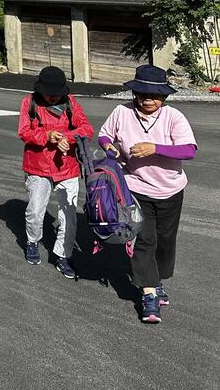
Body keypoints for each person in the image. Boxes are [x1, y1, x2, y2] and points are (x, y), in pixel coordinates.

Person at [98, 64, 197, 324]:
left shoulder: (173, 117)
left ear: (163, 97)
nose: (147, 99)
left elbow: (188, 150)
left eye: (153, 95)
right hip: (136, 188)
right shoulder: (121, 112)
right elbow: (105, 136)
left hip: (170, 189)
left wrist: (155, 147)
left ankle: (157, 279)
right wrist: (111, 149)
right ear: (134, 94)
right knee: (144, 240)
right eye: (142, 94)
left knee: (165, 241)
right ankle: (149, 293)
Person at [17, 65, 93, 279]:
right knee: (34, 210)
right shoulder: (29, 102)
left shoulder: (70, 103)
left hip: (66, 167)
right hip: (37, 166)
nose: (52, 97)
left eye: (56, 94)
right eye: (49, 94)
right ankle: (32, 241)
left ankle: (63, 255)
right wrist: (46, 135)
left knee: (69, 216)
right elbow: (24, 132)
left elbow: (86, 128)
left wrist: (66, 139)